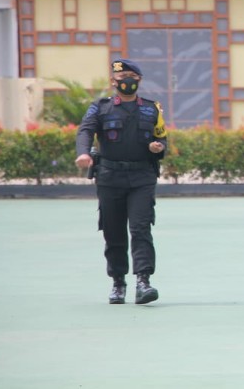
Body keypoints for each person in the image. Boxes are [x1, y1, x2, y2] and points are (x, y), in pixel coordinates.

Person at [75, 59, 167, 305]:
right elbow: (85, 130)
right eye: (122, 76)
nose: (127, 80)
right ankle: (118, 282)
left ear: (139, 80)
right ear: (113, 82)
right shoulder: (100, 107)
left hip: (141, 177)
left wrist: (158, 147)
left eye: (131, 76)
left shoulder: (152, 109)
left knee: (140, 228)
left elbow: (162, 138)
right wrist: (83, 152)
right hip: (109, 177)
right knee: (113, 232)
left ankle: (143, 281)